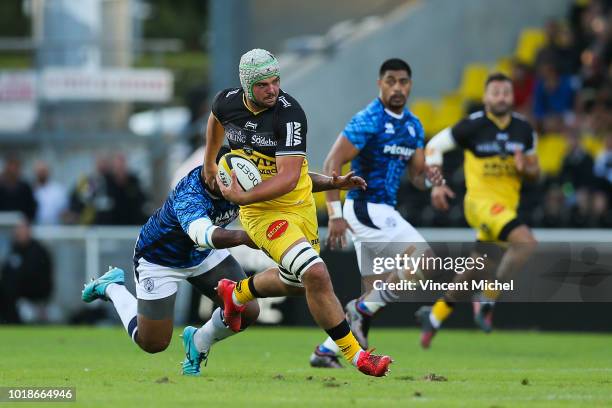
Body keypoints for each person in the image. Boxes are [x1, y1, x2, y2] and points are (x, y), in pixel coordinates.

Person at [82, 145, 367, 376]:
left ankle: (198, 342)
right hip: (161, 259)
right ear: (211, 172)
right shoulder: (189, 193)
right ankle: (112, 287)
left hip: (203, 255)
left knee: (248, 310)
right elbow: (203, 234)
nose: (231, 185)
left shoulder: (242, 174)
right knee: (153, 342)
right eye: (222, 178)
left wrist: (332, 182)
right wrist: (245, 238)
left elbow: (292, 183)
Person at [204, 48, 392, 377]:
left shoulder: (289, 114)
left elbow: (291, 177)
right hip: (263, 215)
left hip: (299, 208)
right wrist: (210, 162)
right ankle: (358, 356)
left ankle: (236, 293)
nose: (273, 89)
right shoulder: (226, 102)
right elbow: (215, 120)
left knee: (297, 282)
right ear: (247, 86)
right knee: (316, 273)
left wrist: (329, 182)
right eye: (264, 85)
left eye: (276, 81)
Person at [308, 58, 444, 368]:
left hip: (381, 210)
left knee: (376, 292)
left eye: (404, 81)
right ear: (380, 84)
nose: (398, 87)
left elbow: (418, 176)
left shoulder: (413, 125)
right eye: (391, 81)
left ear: (410, 84)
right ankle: (359, 309)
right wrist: (334, 213)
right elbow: (332, 163)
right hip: (365, 207)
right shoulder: (368, 119)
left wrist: (433, 181)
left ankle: (326, 351)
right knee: (425, 260)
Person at [417, 72, 540, 348]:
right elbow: (434, 146)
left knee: (480, 265)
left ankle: (434, 315)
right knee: (526, 243)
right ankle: (487, 297)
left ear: (512, 96)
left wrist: (525, 168)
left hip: (506, 207)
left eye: (506, 92)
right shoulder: (472, 126)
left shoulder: (524, 129)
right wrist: (436, 185)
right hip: (480, 204)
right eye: (495, 92)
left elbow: (536, 171)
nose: (501, 97)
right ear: (485, 97)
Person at [0, 218, 53, 323]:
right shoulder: (14, 249)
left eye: (21, 229)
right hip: (14, 290)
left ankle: (14, 321)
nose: (18, 232)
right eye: (17, 229)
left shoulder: (38, 251)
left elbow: (37, 276)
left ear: (29, 231)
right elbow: (6, 270)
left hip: (33, 291)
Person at [0, 156, 37, 221]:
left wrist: (26, 221)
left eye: (16, 167)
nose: (13, 169)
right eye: (11, 166)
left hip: (21, 226)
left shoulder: (25, 187)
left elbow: (31, 208)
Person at [33, 161, 68, 225]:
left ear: (48, 172)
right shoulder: (31, 190)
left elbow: (64, 211)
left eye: (43, 171)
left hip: (55, 229)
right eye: (39, 171)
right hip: (35, 228)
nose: (41, 174)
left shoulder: (58, 190)